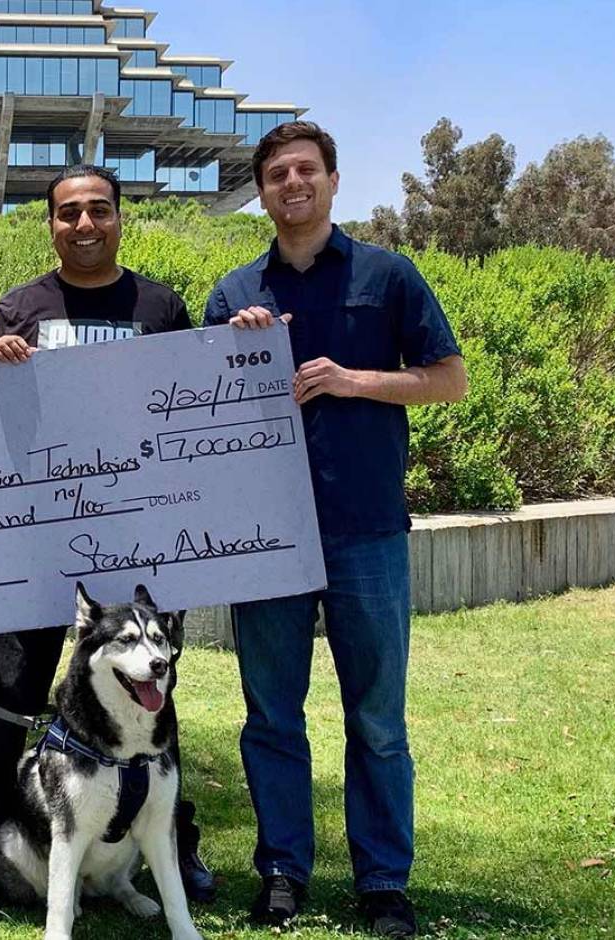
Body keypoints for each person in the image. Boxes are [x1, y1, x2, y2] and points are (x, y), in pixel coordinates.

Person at [0, 164, 215, 925]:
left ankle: (173, 846)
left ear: (120, 217)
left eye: (98, 210)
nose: (84, 224)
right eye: (68, 213)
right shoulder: (19, 306)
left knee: (151, 698)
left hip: (134, 539)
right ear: (49, 223)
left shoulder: (161, 307)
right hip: (35, 540)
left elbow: (191, 412)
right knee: (6, 703)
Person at [203, 121, 468, 939]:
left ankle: (383, 880)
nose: (293, 184)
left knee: (378, 720)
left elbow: (449, 381)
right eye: (277, 173)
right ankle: (283, 872)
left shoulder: (389, 277)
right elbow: (196, 413)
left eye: (306, 170)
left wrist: (354, 381)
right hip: (270, 540)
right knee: (271, 717)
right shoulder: (233, 292)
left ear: (333, 181)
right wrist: (228, 354)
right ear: (262, 190)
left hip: (367, 533)